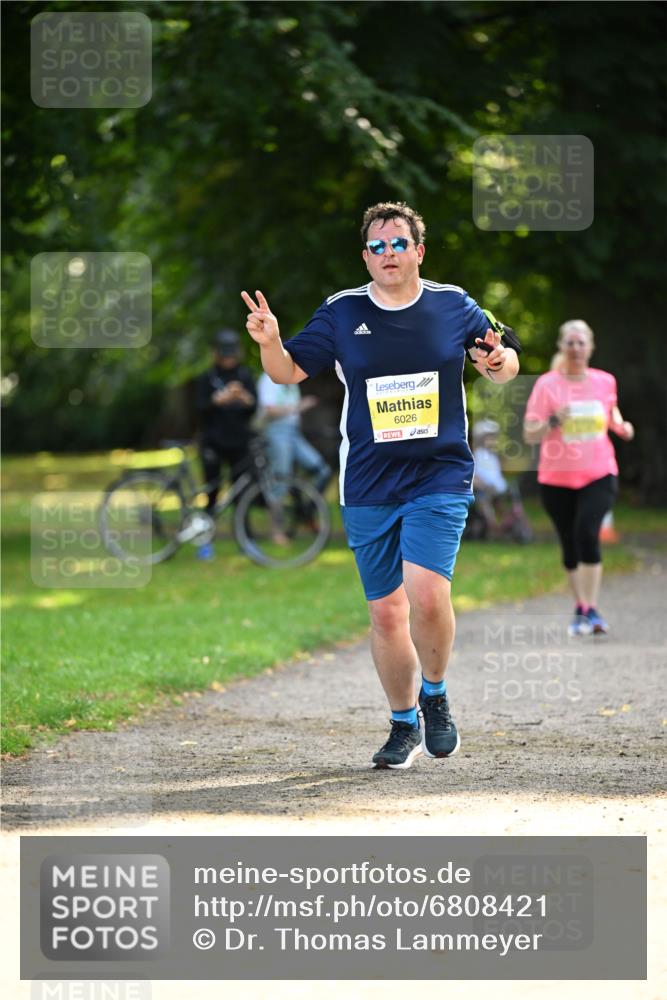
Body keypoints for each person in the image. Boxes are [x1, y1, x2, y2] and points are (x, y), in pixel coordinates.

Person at [241, 201, 520, 769]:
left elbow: (503, 357)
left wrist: (497, 361)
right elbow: (288, 371)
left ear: (419, 251)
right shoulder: (342, 313)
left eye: (398, 243)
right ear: (365, 256)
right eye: (377, 246)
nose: (387, 254)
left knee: (426, 592)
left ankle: (435, 698)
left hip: (439, 472)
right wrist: (269, 339)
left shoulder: (452, 305)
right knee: (387, 614)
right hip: (368, 480)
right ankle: (402, 722)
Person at [523, 319, 634, 635]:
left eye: (581, 342)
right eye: (570, 342)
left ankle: (592, 608)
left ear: (591, 347)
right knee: (569, 542)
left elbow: (610, 412)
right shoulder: (547, 384)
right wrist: (554, 420)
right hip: (555, 477)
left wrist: (621, 426)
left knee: (587, 531)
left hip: (598, 471)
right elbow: (531, 432)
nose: (575, 348)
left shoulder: (605, 381)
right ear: (561, 346)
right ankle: (581, 607)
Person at [194, 329, 257, 560]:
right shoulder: (207, 377)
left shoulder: (244, 375)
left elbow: (253, 407)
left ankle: (245, 540)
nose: (229, 358)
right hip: (213, 442)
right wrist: (218, 400)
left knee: (242, 493)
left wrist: (242, 397)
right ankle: (205, 542)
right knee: (212, 493)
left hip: (240, 442)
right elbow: (200, 408)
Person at [257, 373, 332, 506]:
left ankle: (306, 509)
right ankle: (276, 524)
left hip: (294, 433)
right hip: (276, 432)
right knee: (280, 480)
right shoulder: (268, 379)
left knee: (322, 470)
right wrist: (298, 406)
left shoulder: (291, 379)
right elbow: (269, 410)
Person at [472, 419, 509, 533]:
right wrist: (482, 485)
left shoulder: (492, 456)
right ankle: (493, 526)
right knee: (485, 501)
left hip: (496, 491)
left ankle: (504, 524)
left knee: (500, 503)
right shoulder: (476, 455)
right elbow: (473, 477)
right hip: (482, 491)